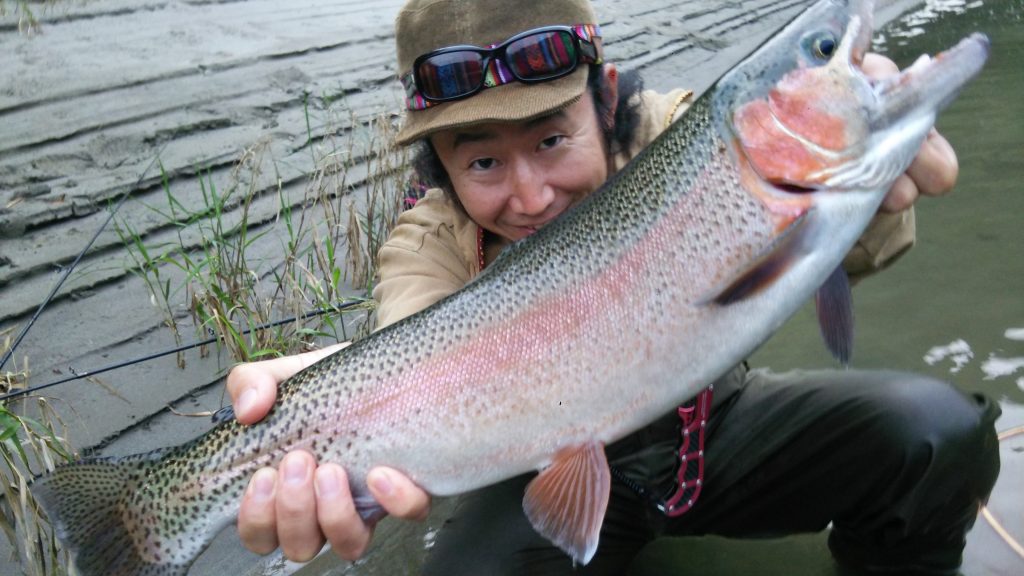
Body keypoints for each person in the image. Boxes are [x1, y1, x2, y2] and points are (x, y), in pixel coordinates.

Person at [225, 0, 1001, 574]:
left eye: (553, 139)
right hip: (540, 473)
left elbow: (848, 244)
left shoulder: (691, 137)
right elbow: (412, 324)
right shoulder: (424, 240)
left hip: (718, 431)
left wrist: (872, 180)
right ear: (440, 166)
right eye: (483, 162)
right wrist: (325, 405)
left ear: (605, 101)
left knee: (937, 431)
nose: (529, 196)